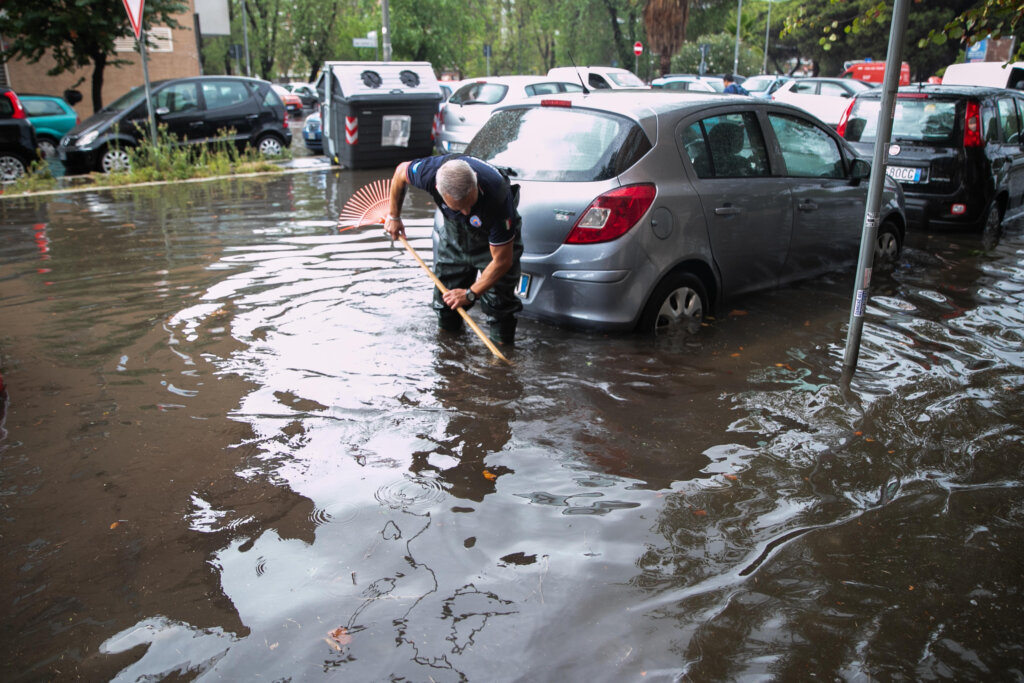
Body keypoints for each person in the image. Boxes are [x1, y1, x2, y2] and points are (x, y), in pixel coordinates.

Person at [384, 155, 524, 345]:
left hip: (493, 241)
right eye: (459, 207)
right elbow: (401, 171)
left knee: (500, 304)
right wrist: (394, 216)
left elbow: (502, 261)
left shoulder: (497, 197)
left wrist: (470, 293)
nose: (466, 212)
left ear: (474, 182)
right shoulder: (428, 173)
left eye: (470, 203)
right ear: (437, 190)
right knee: (447, 301)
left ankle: (502, 352)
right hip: (455, 236)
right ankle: (448, 353)